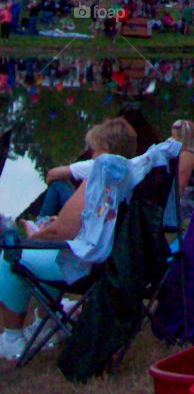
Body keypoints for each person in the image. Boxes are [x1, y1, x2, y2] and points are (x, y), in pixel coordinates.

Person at [0, 119, 138, 360]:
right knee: (42, 253)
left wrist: (34, 236)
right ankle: (49, 325)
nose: (92, 154)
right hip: (111, 264)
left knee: (9, 256)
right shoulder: (131, 175)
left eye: (96, 149)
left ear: (106, 149)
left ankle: (12, 339)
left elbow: (59, 232)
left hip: (85, 267)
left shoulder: (99, 178)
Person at [37, 117, 138, 218]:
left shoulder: (97, 166)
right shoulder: (132, 172)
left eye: (95, 149)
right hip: (105, 216)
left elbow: (52, 174)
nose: (93, 156)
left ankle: (39, 225)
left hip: (88, 217)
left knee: (58, 184)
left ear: (105, 147)